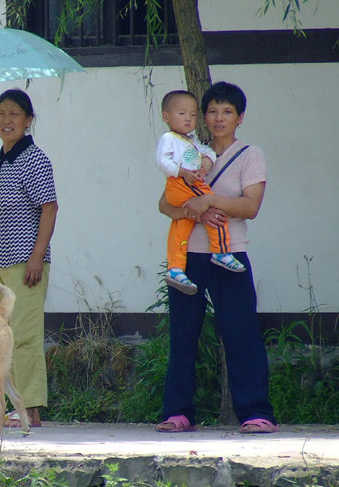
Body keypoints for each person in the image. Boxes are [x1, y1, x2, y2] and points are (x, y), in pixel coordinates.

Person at [155, 81, 278, 434]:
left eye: (227, 112)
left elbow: (250, 206)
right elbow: (165, 203)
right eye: (212, 111)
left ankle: (256, 412)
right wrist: (194, 212)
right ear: (203, 117)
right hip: (188, 257)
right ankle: (178, 412)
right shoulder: (190, 151)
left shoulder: (250, 154)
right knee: (183, 335)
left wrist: (208, 201)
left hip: (230, 254)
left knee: (241, 333)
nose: (219, 118)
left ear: (240, 118)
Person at [0, 89, 58, 428]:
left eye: (14, 114)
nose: (6, 120)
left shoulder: (35, 159)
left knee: (25, 335)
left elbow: (49, 207)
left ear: (28, 120)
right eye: (0, 113)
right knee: (2, 337)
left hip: (26, 262)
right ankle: (16, 405)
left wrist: (37, 256)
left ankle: (31, 409)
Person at [156, 90, 246, 296]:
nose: (188, 118)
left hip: (182, 188)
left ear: (239, 118)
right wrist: (184, 173)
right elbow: (162, 163)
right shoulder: (169, 138)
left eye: (192, 114)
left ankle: (176, 268)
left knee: (180, 228)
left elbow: (205, 153)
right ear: (166, 117)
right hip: (180, 183)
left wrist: (206, 162)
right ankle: (221, 251)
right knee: (214, 210)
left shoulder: (192, 141)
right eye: (213, 111)